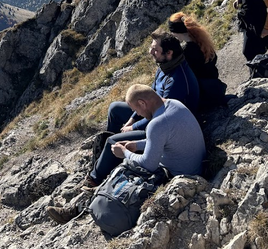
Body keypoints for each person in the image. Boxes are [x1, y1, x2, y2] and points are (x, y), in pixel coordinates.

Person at [47, 85, 206, 224]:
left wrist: (125, 153)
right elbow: (165, 140)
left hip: (180, 176)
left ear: (143, 103)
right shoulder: (173, 104)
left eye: (136, 110)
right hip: (193, 165)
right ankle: (91, 195)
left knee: (123, 172)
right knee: (126, 165)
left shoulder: (156, 124)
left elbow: (147, 164)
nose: (139, 114)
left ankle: (78, 209)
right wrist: (136, 145)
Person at [81, 32, 199, 190]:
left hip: (166, 128)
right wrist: (132, 120)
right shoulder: (164, 67)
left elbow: (156, 122)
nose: (151, 52)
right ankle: (110, 157)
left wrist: (132, 133)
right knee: (115, 108)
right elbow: (151, 97)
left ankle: (96, 179)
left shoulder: (176, 82)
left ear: (169, 53)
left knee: (113, 141)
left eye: (155, 50)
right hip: (158, 118)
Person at [168, 11, 227, 111]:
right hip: (214, 84)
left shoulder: (186, 51)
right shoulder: (202, 41)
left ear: (176, 32)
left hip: (204, 93)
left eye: (172, 31)